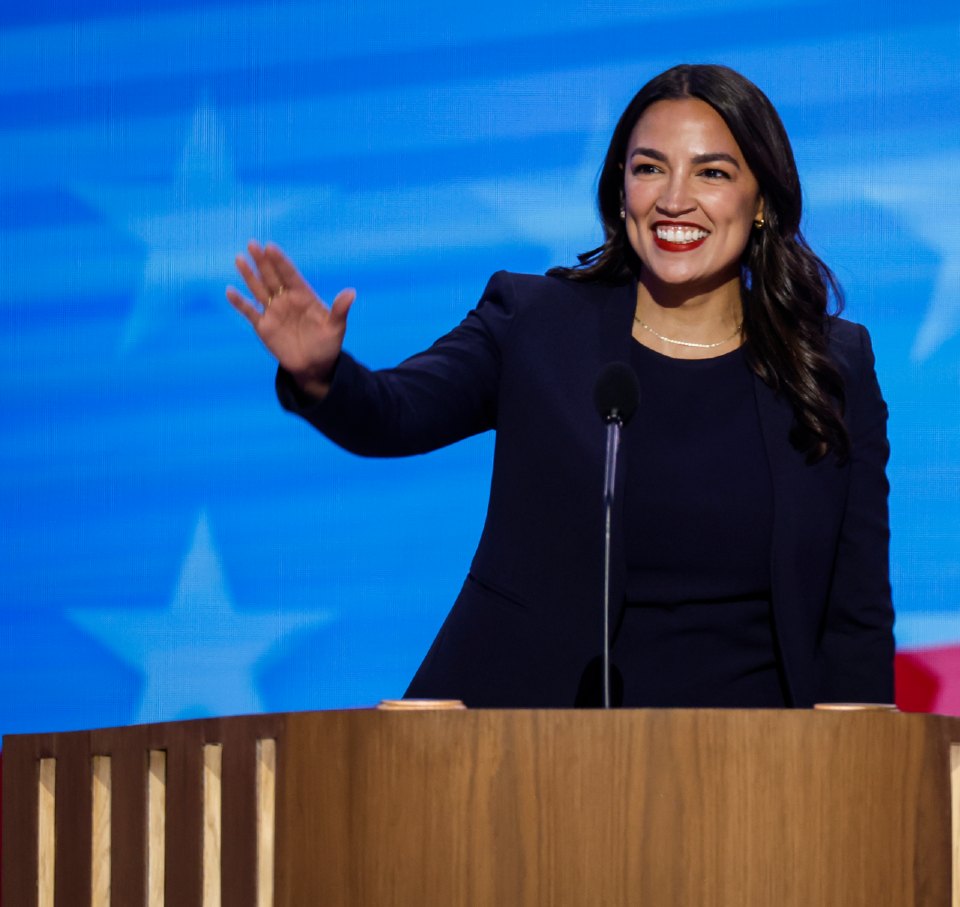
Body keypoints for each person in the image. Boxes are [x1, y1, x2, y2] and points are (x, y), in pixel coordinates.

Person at [227, 64, 893, 708]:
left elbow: (855, 611)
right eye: (649, 168)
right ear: (620, 192)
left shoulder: (830, 363)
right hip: (532, 757)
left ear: (763, 204)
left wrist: (853, 777)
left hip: (755, 775)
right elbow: (394, 413)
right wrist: (322, 375)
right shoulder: (536, 324)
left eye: (711, 172)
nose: (673, 198)